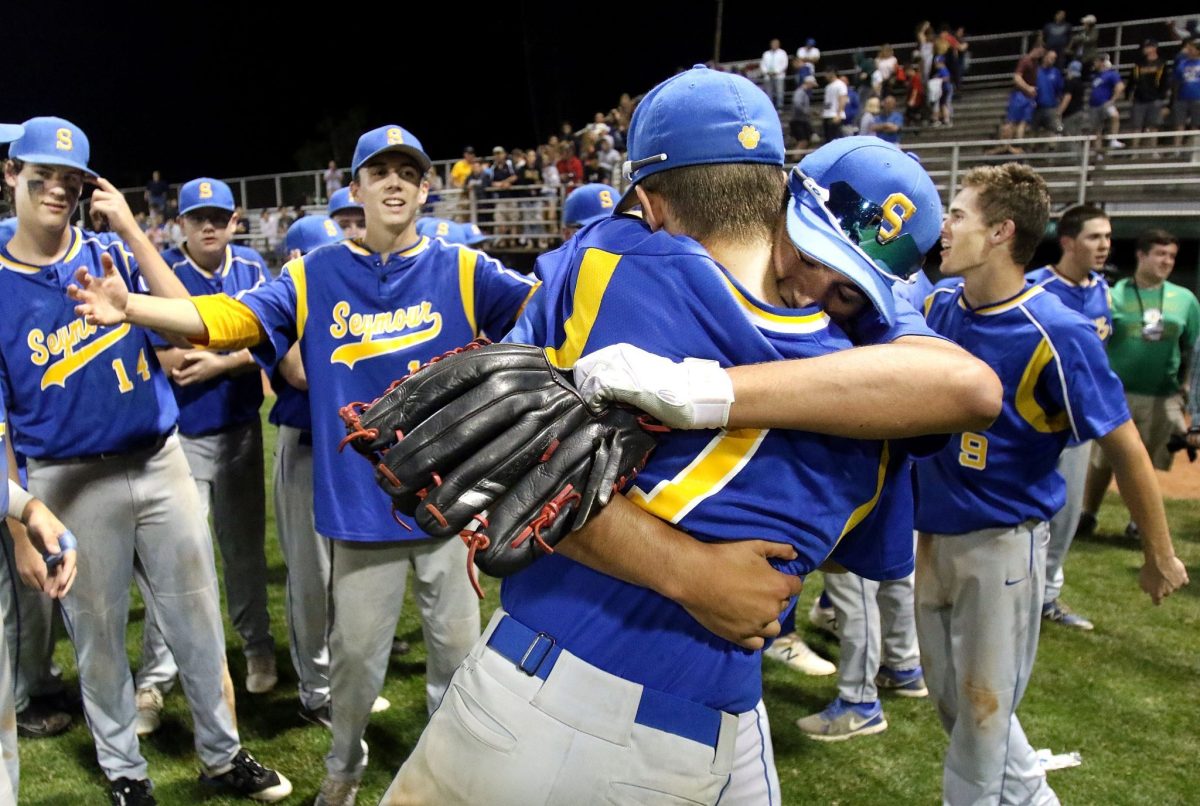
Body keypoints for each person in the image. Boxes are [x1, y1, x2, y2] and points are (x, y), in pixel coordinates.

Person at [378, 71, 996, 805]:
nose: (816, 291)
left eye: (847, 288)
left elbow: (493, 459)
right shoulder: (881, 371)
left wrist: (709, 396)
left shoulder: (606, 259)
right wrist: (690, 570)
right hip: (703, 713)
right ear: (776, 189)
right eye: (817, 264)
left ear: (648, 200)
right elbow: (968, 390)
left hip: (556, 688)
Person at [68, 123, 540, 806]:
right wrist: (133, 306)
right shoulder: (314, 274)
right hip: (363, 509)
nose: (395, 183)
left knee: (458, 659)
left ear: (425, 190)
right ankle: (344, 766)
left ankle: (448, 774)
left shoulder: (465, 269)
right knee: (354, 664)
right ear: (355, 189)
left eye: (408, 173)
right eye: (380, 173)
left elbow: (548, 309)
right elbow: (232, 320)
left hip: (449, 504)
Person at [1, 116, 290, 804]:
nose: (58, 190)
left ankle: (222, 754)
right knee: (98, 637)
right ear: (11, 174)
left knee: (198, 619)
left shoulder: (111, 251)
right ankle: (125, 772)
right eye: (43, 176)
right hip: (68, 480)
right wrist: (19, 527)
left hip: (160, 459)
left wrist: (133, 232)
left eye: (71, 180)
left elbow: (198, 321)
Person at [918, 164, 1187, 806]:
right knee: (959, 708)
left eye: (958, 214)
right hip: (930, 537)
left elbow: (1125, 447)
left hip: (1001, 546)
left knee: (983, 723)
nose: (944, 226)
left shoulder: (1056, 331)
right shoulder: (937, 305)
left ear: (1001, 232)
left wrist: (1160, 553)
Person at [131, 178, 275, 739]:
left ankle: (257, 648)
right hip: (181, 438)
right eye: (198, 218)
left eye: (218, 217)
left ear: (234, 221)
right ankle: (155, 679)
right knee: (176, 566)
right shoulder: (163, 269)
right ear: (181, 224)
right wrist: (230, 350)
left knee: (244, 553)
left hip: (240, 430)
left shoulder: (251, 267)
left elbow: (269, 339)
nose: (209, 226)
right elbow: (167, 356)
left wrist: (219, 360)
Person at [1026, 205, 1114, 630]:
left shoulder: (1103, 290)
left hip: (1078, 429)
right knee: (1030, 515)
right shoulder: (1036, 287)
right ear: (1067, 242)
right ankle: (1022, 593)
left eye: (1108, 237)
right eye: (1095, 237)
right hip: (1037, 425)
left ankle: (1047, 597)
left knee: (1066, 518)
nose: (1105, 245)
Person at [1081, 228, 1200, 540]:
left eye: (1172, 256)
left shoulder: (1185, 300)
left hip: (1162, 394)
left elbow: (1194, 348)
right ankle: (1087, 514)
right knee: (1101, 460)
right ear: (1141, 255)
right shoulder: (1113, 295)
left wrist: (1186, 387)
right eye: (1160, 254)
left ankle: (1137, 523)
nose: (1167, 261)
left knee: (1148, 460)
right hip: (1116, 394)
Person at [1089, 53, 1126, 150]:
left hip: (1105, 103)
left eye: (1096, 61)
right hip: (1094, 106)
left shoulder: (1111, 74)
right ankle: (1098, 154)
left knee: (1114, 116)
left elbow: (1120, 86)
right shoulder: (1096, 76)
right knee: (1096, 131)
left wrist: (1113, 100)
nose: (1094, 63)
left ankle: (1113, 140)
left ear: (1102, 62)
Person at [1171, 38, 1200, 150]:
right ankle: (1177, 149)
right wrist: (1175, 97)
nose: (1189, 51)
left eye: (1191, 49)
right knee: (1179, 124)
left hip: (1198, 98)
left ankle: (1193, 149)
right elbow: (1176, 81)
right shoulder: (1182, 63)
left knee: (1195, 124)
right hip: (1182, 98)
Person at [822, 67, 848, 142]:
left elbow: (842, 99)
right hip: (827, 115)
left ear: (832, 73)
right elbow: (828, 102)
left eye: (826, 73)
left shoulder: (840, 84)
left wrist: (839, 114)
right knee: (828, 139)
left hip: (835, 115)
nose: (825, 75)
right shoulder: (828, 87)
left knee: (835, 139)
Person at [761, 38, 788, 110]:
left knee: (779, 92)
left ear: (778, 45)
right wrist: (766, 72)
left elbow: (785, 64)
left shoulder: (782, 53)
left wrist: (777, 72)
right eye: (772, 44)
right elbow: (762, 64)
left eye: (775, 44)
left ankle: (780, 108)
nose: (774, 45)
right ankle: (770, 108)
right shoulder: (766, 53)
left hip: (779, 76)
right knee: (768, 93)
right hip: (768, 76)